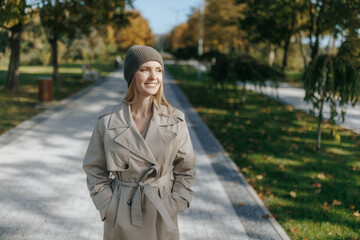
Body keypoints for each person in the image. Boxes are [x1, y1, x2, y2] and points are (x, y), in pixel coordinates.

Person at [83, 45, 196, 240]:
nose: (153, 76)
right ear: (131, 76)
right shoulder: (108, 121)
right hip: (122, 212)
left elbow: (186, 169)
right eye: (144, 69)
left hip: (160, 212)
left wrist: (175, 203)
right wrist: (108, 205)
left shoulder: (175, 120)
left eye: (158, 70)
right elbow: (94, 169)